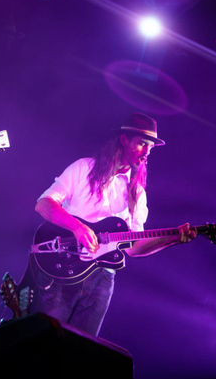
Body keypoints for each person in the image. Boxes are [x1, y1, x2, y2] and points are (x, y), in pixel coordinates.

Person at [29, 113, 196, 337]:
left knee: (81, 352)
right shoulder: (83, 169)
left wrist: (173, 238)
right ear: (124, 140)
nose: (147, 152)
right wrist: (78, 228)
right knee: (45, 343)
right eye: (141, 144)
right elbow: (44, 205)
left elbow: (134, 247)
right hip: (64, 268)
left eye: (150, 147)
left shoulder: (137, 194)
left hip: (102, 279)